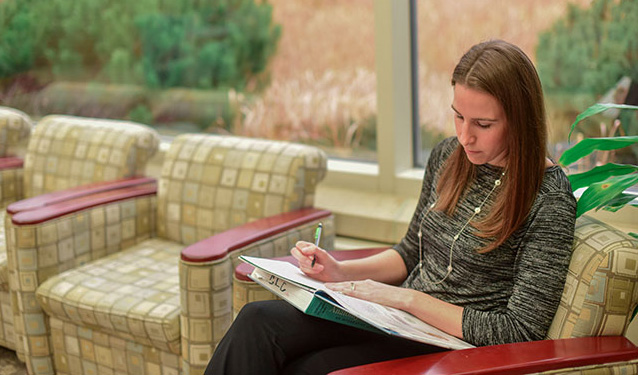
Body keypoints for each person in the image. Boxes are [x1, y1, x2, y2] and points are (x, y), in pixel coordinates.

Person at [205, 39, 577, 375]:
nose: (465, 136)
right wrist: (337, 271)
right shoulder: (448, 156)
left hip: (447, 344)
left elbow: (520, 330)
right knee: (258, 322)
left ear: (521, 120)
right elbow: (409, 252)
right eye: (458, 116)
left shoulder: (548, 199)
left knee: (308, 369)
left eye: (483, 123)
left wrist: (407, 299)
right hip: (394, 318)